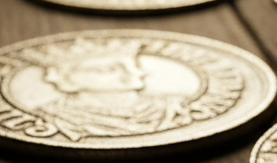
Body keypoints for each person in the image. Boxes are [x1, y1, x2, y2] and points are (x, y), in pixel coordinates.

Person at [20, 37, 199, 140]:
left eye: (131, 65)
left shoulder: (173, 106)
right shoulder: (52, 116)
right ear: (68, 79)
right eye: (110, 69)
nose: (135, 73)